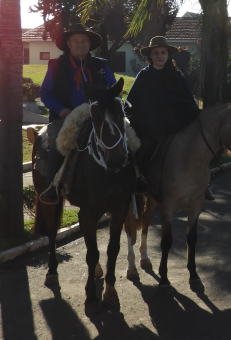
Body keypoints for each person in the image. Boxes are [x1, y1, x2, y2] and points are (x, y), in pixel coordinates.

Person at [39, 23, 117, 204]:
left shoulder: (100, 65)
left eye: (84, 41)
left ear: (89, 44)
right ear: (68, 44)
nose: (80, 44)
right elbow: (45, 93)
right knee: (56, 143)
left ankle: (133, 179)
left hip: (97, 116)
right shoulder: (56, 65)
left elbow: (112, 87)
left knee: (124, 137)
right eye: (76, 41)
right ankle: (53, 187)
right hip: (66, 117)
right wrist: (60, 110)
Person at [125, 36, 207, 198]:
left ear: (168, 55)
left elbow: (187, 101)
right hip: (148, 124)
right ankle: (138, 178)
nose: (160, 56)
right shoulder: (143, 75)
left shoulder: (177, 76)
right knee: (137, 150)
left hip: (174, 122)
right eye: (156, 53)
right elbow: (131, 101)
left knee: (195, 146)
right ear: (150, 56)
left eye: (163, 52)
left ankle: (202, 182)